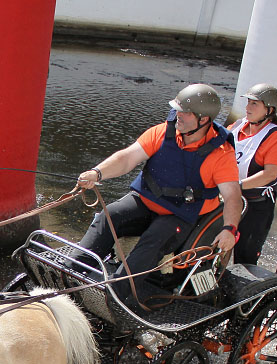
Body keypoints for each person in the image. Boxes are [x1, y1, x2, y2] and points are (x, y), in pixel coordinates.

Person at [75, 83, 242, 304]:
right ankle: (72, 270)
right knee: (109, 216)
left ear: (203, 120)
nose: (178, 116)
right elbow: (127, 158)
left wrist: (230, 229)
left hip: (181, 215)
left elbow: (232, 197)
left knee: (153, 240)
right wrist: (97, 173)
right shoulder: (163, 131)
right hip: (146, 201)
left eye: (185, 113)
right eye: (177, 110)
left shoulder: (221, 154)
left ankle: (113, 295)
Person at [227, 83, 277, 265]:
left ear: (269, 109)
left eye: (254, 104)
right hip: (228, 198)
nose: (247, 108)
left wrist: (237, 186)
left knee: (245, 256)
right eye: (248, 103)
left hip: (255, 206)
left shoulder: (276, 137)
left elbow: (270, 174)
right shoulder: (236, 127)